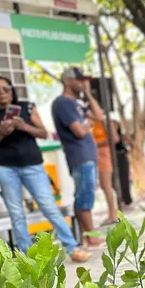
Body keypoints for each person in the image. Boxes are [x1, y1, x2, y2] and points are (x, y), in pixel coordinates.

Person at [0, 77, 90, 261]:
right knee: (17, 214)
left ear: (12, 90)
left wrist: (23, 126)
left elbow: (44, 133)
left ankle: (71, 247)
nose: (3, 93)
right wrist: (0, 133)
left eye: (6, 88)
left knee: (49, 207)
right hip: (5, 168)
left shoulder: (27, 107)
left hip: (32, 165)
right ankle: (28, 258)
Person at [51, 68, 103, 247]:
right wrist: (88, 123)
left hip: (88, 154)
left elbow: (99, 116)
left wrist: (88, 94)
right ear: (68, 81)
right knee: (84, 195)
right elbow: (80, 131)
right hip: (79, 155)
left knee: (87, 194)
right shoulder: (62, 103)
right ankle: (90, 236)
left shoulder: (78, 103)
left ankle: (86, 237)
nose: (83, 83)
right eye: (79, 80)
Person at [90, 112, 120, 226]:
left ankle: (113, 214)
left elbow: (115, 138)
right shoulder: (93, 122)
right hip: (96, 155)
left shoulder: (106, 120)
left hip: (104, 154)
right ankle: (112, 213)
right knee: (103, 185)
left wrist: (96, 144)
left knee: (106, 185)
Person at [111, 114, 133, 209]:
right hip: (113, 157)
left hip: (121, 156)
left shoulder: (119, 134)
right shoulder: (110, 134)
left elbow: (130, 143)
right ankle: (120, 200)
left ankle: (126, 200)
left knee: (124, 179)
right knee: (114, 181)